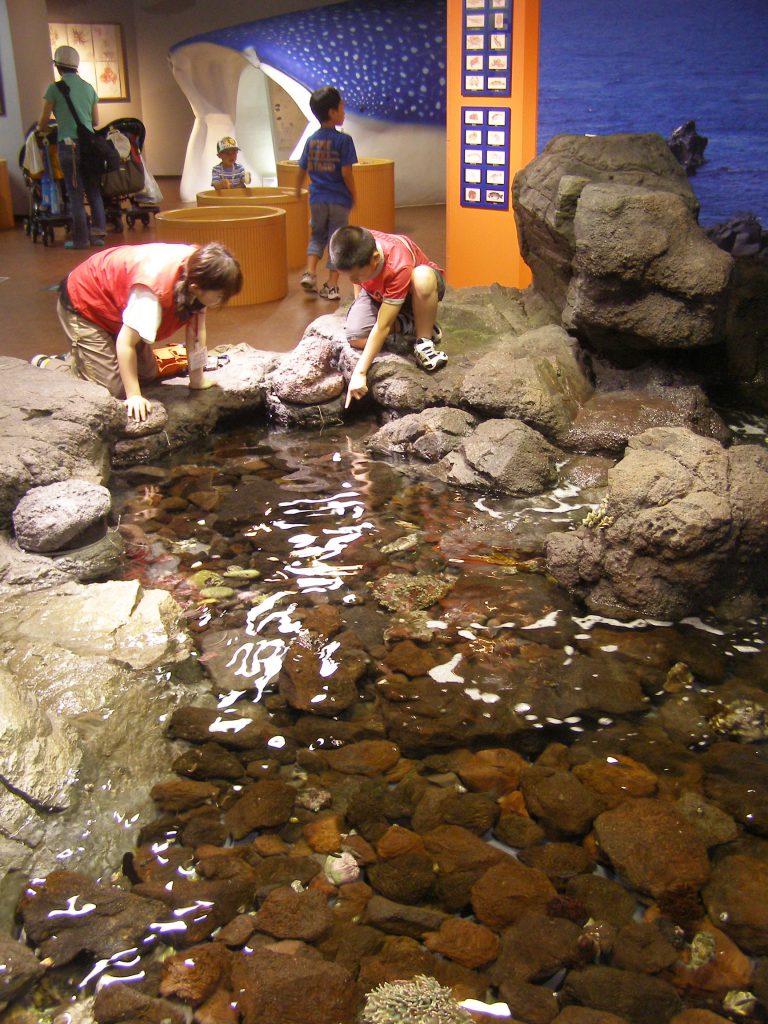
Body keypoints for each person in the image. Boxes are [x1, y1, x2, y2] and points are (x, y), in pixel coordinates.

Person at [56, 242, 243, 422]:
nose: (222, 300)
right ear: (196, 288)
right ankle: (63, 364)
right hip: (85, 304)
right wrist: (134, 396)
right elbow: (126, 343)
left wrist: (197, 378)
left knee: (147, 374)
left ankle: (97, 357)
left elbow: (196, 332)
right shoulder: (152, 292)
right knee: (114, 390)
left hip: (119, 310)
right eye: (220, 296)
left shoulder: (200, 270)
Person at [329, 225, 448, 406]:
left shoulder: (397, 263)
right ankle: (409, 323)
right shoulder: (356, 243)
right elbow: (360, 283)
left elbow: (382, 327)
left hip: (413, 292)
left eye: (355, 277)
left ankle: (424, 337)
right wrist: (359, 309)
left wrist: (360, 372)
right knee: (357, 336)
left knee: (422, 277)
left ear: (375, 259)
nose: (352, 281)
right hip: (379, 294)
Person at [37, 45, 106, 251]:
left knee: (75, 194)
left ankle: (81, 240)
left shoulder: (53, 89)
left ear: (58, 66)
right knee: (94, 191)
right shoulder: (88, 88)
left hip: (69, 147)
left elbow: (42, 123)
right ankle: (98, 235)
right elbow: (95, 120)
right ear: (76, 67)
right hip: (89, 147)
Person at [295, 86, 357, 301]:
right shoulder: (344, 141)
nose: (344, 111)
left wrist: (296, 189)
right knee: (336, 241)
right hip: (339, 199)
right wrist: (353, 193)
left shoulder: (312, 140)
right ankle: (331, 285)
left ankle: (310, 273)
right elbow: (346, 172)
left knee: (317, 235)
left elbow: (301, 168)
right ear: (332, 112)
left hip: (317, 198)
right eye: (341, 107)